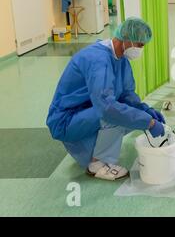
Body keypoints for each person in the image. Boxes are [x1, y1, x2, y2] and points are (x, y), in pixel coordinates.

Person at [46, 18, 166, 181]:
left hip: (85, 114)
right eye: (140, 45)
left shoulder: (120, 58)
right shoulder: (98, 60)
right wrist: (149, 122)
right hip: (66, 121)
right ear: (127, 39)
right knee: (115, 114)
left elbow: (127, 94)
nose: (140, 50)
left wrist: (147, 111)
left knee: (132, 115)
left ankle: (91, 152)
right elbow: (106, 108)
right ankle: (97, 165)